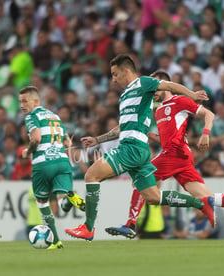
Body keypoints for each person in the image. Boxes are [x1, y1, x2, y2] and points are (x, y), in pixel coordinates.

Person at [65, 54, 214, 241]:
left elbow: (169, 85)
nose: (113, 79)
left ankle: (88, 228)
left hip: (132, 147)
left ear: (126, 71)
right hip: (139, 150)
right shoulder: (126, 95)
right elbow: (122, 127)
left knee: (91, 175)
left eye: (115, 74)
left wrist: (192, 95)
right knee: (153, 196)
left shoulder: (143, 83)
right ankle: (199, 203)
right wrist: (98, 139)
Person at [104, 70, 224, 239]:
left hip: (175, 154)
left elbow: (209, 114)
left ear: (162, 84)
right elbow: (165, 140)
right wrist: (148, 135)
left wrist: (206, 133)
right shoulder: (159, 110)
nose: (152, 92)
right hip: (178, 156)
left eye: (155, 87)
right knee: (206, 196)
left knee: (140, 178)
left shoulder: (179, 101)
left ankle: (130, 225)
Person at [18, 85, 85, 249]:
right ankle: (70, 197)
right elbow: (67, 142)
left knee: (42, 203)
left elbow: (36, 139)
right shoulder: (54, 116)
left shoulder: (31, 116)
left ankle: (55, 240)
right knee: (62, 202)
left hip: (43, 163)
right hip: (62, 162)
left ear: (36, 101)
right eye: (20, 102)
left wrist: (28, 151)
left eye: (25, 101)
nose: (22, 105)